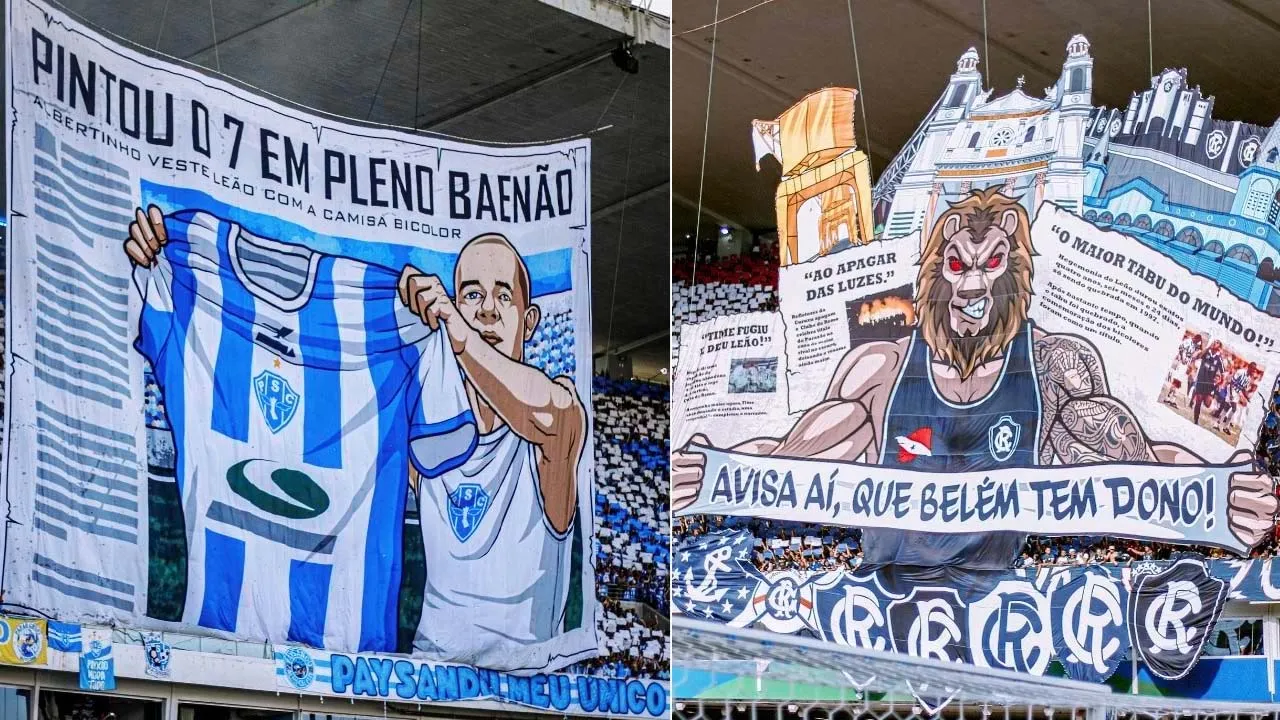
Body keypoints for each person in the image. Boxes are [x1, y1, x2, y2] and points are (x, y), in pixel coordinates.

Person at [673, 188, 1278, 568]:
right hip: (887, 586)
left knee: (1085, 428)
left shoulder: (1053, 364)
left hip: (1004, 590)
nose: (972, 283)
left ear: (1013, 274)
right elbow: (787, 455)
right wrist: (710, 472)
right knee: (846, 424)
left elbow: (1137, 453)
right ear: (934, 275)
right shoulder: (881, 366)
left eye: (991, 265)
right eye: (958, 265)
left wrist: (1218, 493)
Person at [399, 233, 591, 671]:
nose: (487, 309)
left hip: (526, 685)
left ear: (529, 320)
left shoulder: (557, 413)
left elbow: (546, 411)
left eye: (503, 296)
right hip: (432, 676)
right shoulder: (426, 425)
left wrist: (459, 332)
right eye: (472, 295)